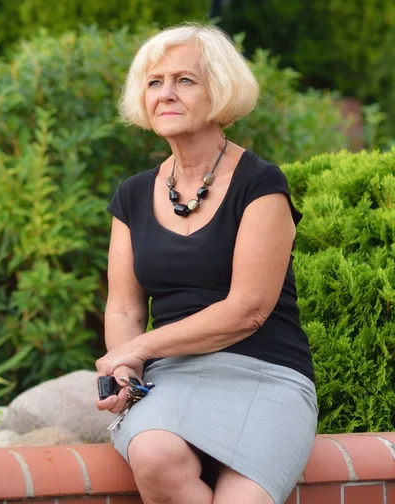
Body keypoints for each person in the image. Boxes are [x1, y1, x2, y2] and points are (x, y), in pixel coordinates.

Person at [95, 23, 318, 504]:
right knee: (153, 452)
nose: (165, 94)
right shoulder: (132, 195)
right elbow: (124, 310)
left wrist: (138, 349)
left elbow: (248, 310)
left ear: (219, 90)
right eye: (154, 82)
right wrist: (127, 370)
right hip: (174, 377)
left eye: (184, 80)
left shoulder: (261, 184)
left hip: (266, 374)